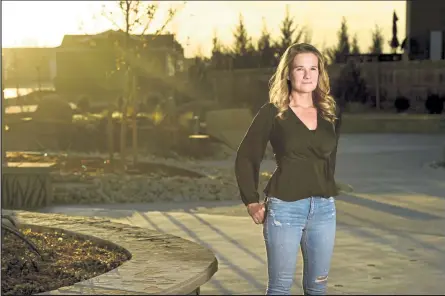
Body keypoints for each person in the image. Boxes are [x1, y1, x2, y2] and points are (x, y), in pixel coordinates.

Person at [235, 43, 342, 295]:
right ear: (288, 73)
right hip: (285, 209)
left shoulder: (329, 112)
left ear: (320, 73)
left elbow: (330, 159)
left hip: (324, 210)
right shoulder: (273, 113)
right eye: (300, 68)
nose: (307, 75)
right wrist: (251, 200)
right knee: (280, 288)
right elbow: (246, 156)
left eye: (313, 68)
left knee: (318, 288)